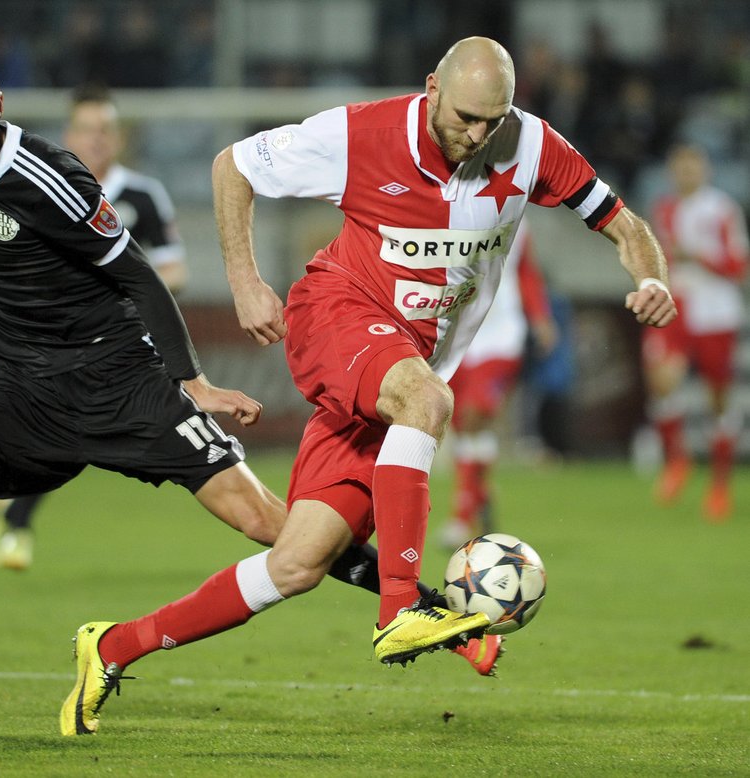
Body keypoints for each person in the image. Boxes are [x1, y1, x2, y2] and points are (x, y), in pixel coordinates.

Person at [59, 36, 678, 736]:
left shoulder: (531, 145)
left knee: (295, 563)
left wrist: (651, 276)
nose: (478, 135)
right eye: (465, 117)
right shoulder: (359, 134)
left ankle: (111, 647)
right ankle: (401, 613)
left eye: (493, 121)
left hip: (401, 367)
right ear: (431, 89)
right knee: (430, 400)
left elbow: (626, 225)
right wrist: (244, 279)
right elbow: (232, 165)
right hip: (337, 315)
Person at [0, 47, 382, 731]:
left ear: (0, 109)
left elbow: (140, 276)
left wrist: (195, 384)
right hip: (26, 394)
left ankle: (423, 603)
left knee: (271, 524)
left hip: (121, 380)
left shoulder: (46, 175)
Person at [0, 83, 188, 571]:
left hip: (128, 346)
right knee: (69, 435)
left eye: (106, 130)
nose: (97, 139)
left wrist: (124, 289)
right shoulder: (38, 187)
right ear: (70, 134)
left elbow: (174, 271)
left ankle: (10, 512)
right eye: (88, 130)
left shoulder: (143, 195)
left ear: (119, 137)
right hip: (54, 345)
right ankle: (13, 524)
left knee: (104, 438)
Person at [642, 143, 748, 521]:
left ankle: (719, 486)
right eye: (680, 168)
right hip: (677, 306)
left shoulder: (722, 209)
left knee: (717, 399)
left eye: (692, 167)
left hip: (716, 312)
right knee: (661, 379)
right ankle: (677, 461)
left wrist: (697, 256)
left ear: (705, 170)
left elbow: (739, 266)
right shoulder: (664, 208)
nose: (686, 174)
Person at [439, 221, 557, 548]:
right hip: (458, 332)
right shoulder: (447, 205)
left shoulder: (515, 213)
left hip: (503, 334)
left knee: (474, 412)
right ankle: (481, 491)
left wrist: (540, 316)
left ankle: (461, 517)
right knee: (462, 424)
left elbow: (525, 270)